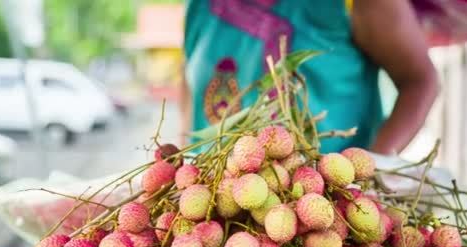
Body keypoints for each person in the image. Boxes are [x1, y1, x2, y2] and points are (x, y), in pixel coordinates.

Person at [181, 0, 439, 154]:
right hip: (215, 207)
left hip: (331, 211)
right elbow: (191, 82)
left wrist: (372, 171)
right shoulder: (199, 6)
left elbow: (419, 81)